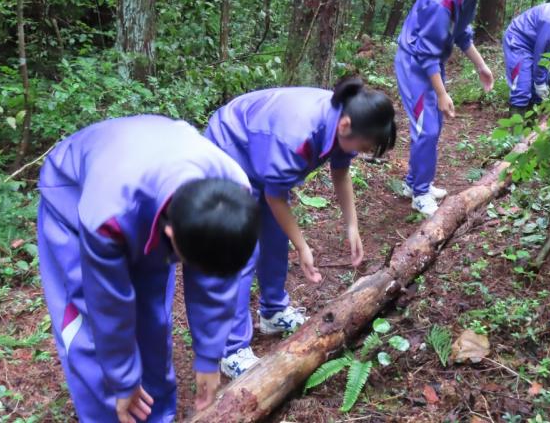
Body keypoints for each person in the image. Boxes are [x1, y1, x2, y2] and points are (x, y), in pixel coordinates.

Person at [37, 115, 260, 423]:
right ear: (171, 235)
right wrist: (123, 380)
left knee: (152, 317)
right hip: (74, 196)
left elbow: (217, 280)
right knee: (91, 332)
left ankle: (157, 416)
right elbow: (108, 305)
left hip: (151, 184)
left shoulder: (234, 194)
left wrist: (209, 356)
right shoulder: (107, 214)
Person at [203, 78, 396, 378]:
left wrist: (352, 225)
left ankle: (273, 310)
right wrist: (303, 246)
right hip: (229, 146)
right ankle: (231, 350)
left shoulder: (345, 122)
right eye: (363, 146)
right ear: (346, 126)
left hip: (261, 152)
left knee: (275, 234)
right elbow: (276, 197)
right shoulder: (298, 137)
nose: (361, 152)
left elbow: (341, 172)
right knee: (243, 247)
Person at [395, 0, 508, 216]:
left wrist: (481, 66)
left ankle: (415, 183)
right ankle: (420, 194)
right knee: (427, 129)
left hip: (431, 62)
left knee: (433, 126)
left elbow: (461, 33)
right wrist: (442, 93)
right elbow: (426, 52)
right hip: (415, 64)